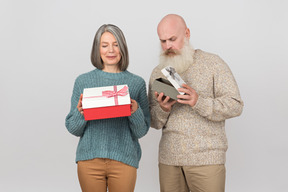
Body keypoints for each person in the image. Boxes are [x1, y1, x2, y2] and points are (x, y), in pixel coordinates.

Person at [148, 14, 244, 192]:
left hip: (206, 159)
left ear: (187, 33)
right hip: (170, 160)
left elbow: (235, 105)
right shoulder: (157, 72)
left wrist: (198, 101)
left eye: (172, 39)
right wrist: (163, 109)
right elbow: (153, 121)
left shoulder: (213, 63)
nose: (168, 46)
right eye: (163, 41)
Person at [65, 24, 150, 192]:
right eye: (105, 45)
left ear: (122, 48)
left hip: (124, 160)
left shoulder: (136, 83)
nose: (110, 50)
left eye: (116, 44)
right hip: (89, 160)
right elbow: (73, 128)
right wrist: (81, 112)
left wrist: (135, 112)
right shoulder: (83, 81)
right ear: (97, 49)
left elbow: (141, 131)